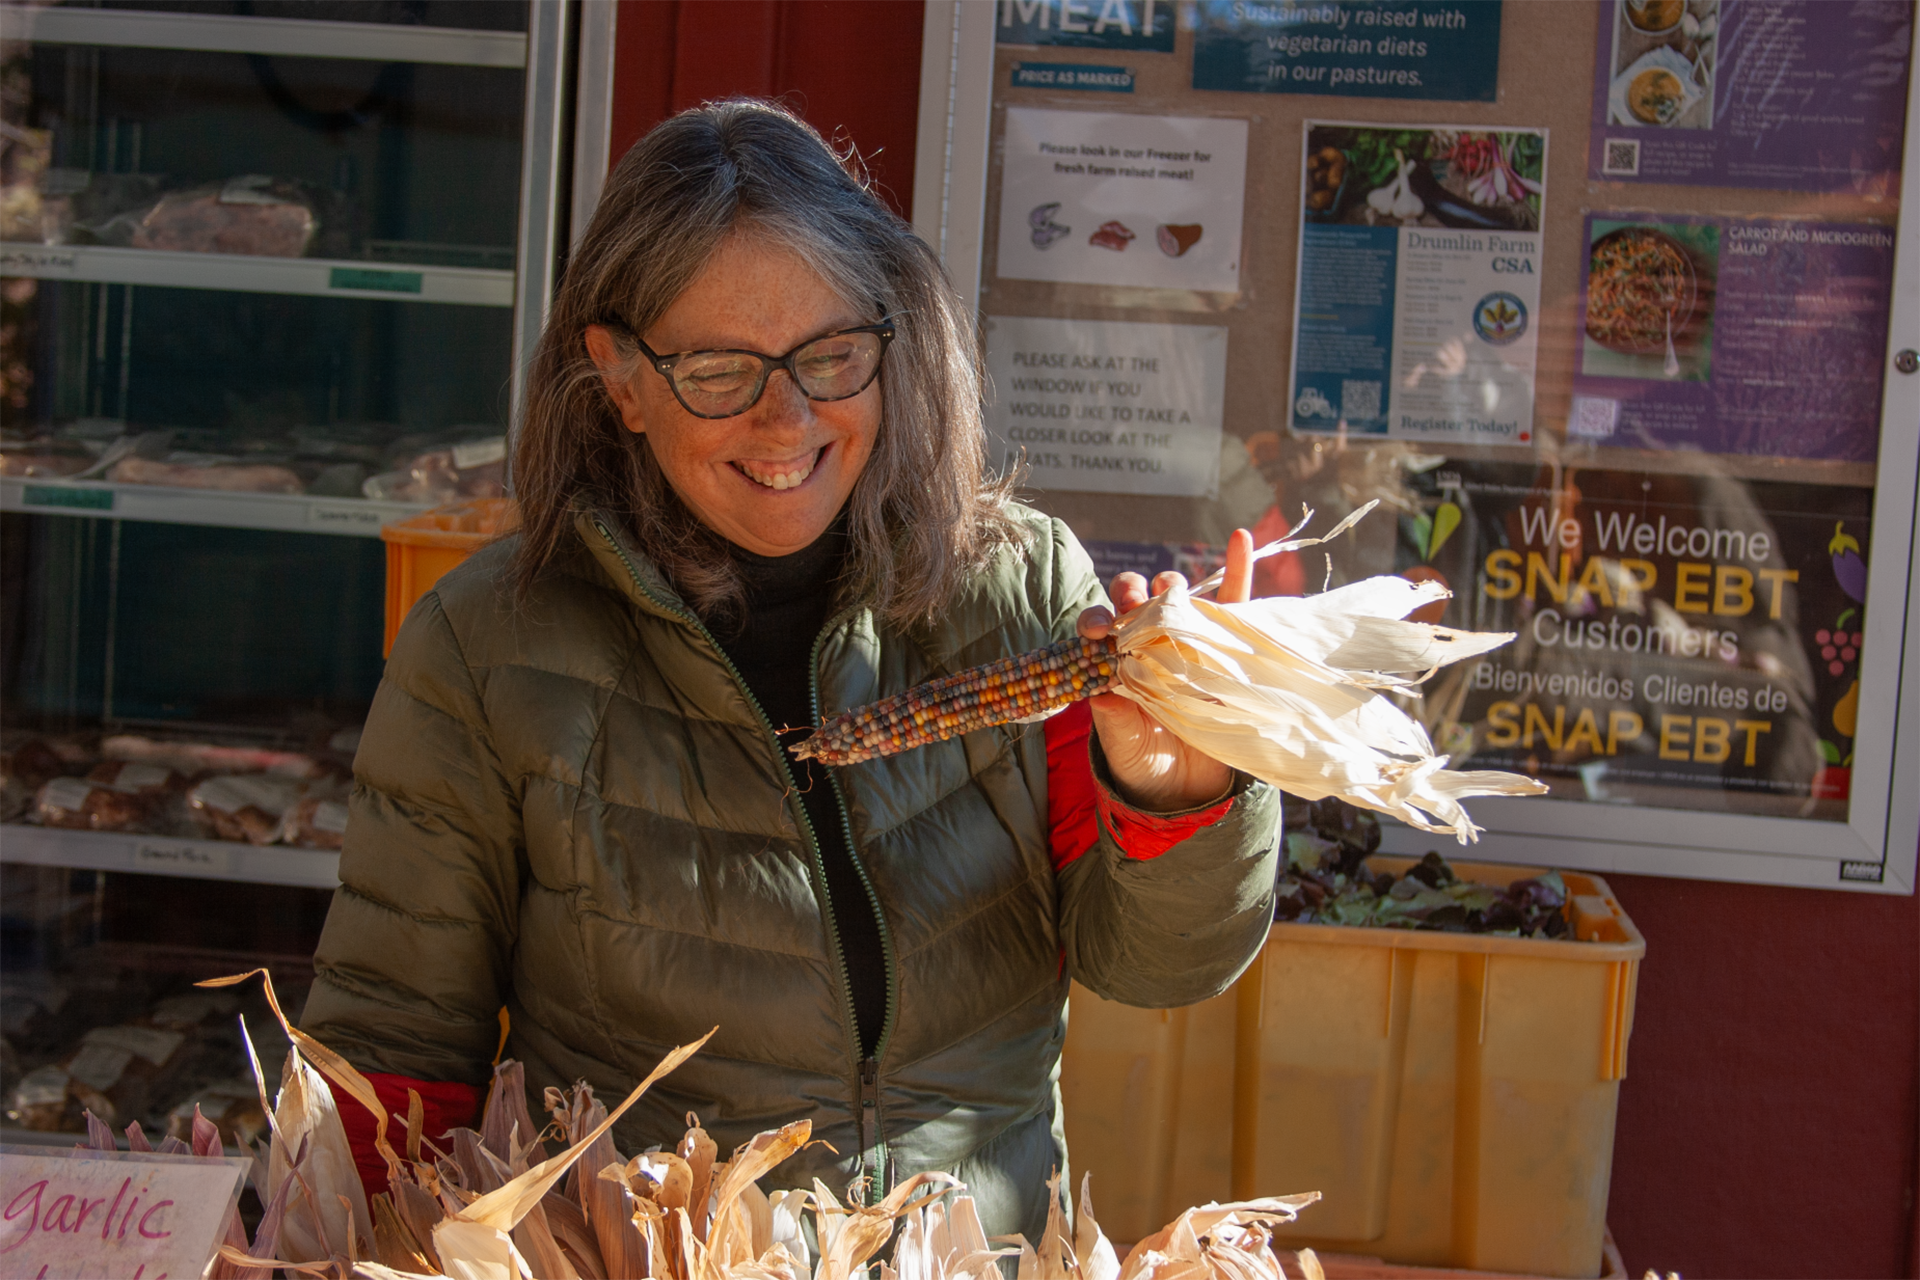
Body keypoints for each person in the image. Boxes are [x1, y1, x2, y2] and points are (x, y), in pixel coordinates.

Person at [301, 99, 1281, 1243]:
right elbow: (396, 1049)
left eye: (829, 355)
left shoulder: (1019, 597)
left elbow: (1164, 964)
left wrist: (1176, 792)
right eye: (720, 368)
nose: (788, 418)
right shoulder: (489, 645)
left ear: (890, 340)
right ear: (619, 378)